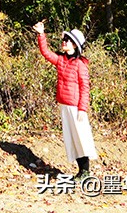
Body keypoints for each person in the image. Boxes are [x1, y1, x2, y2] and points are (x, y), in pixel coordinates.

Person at [33, 20, 97, 178]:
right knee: (72, 140)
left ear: (75, 45)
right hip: (64, 105)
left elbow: (85, 87)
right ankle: (81, 171)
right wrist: (41, 34)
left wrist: (83, 108)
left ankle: (85, 172)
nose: (64, 42)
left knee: (81, 139)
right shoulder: (61, 60)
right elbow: (46, 53)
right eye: (64, 39)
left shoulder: (80, 64)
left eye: (67, 40)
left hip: (75, 107)